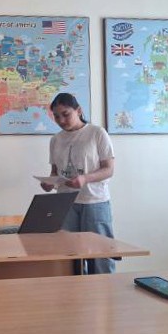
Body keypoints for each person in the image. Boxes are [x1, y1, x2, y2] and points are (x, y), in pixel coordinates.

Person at [40, 93, 116, 274]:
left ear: (79, 111)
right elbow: (55, 172)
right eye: (56, 116)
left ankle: (105, 290)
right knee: (70, 255)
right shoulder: (55, 139)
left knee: (101, 255)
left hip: (94, 201)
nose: (61, 120)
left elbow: (108, 169)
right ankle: (76, 291)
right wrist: (49, 183)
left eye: (66, 114)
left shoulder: (97, 133)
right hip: (65, 203)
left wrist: (84, 179)